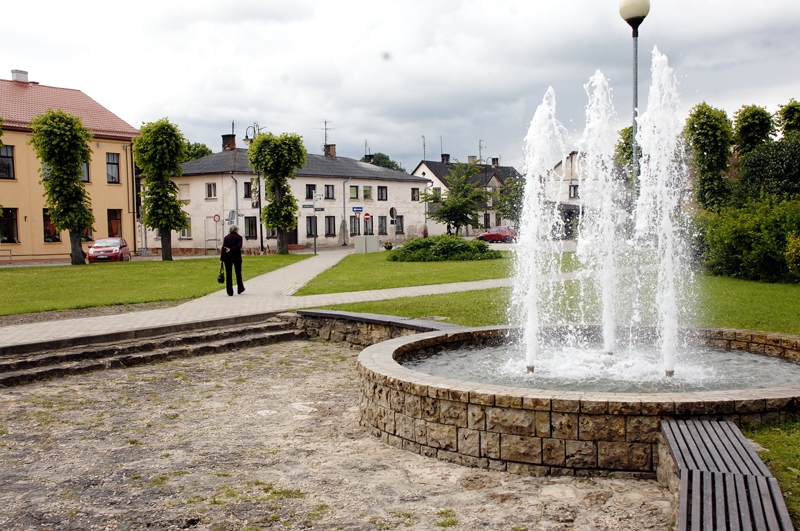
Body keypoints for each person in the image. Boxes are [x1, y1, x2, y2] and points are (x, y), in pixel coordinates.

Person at [220, 225, 245, 296]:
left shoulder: (226, 237)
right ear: (236, 230)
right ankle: (240, 288)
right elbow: (239, 246)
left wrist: (221, 259)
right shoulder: (239, 237)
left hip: (227, 258)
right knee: (238, 273)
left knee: (229, 274)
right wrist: (232, 249)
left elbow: (223, 248)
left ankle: (229, 291)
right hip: (237, 257)